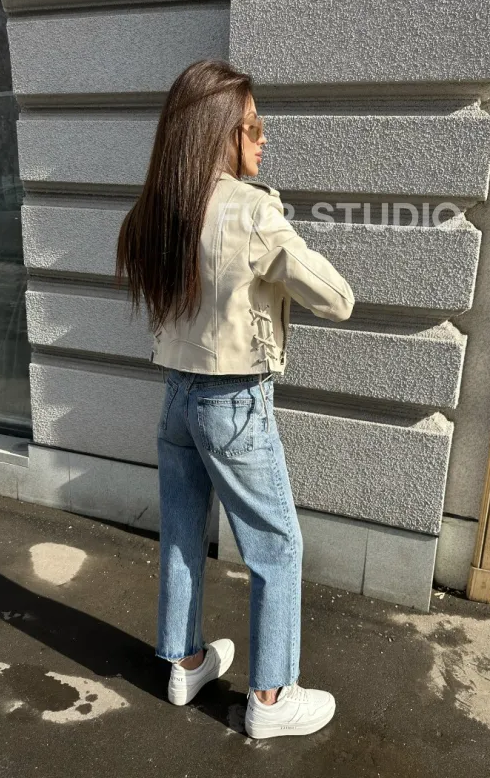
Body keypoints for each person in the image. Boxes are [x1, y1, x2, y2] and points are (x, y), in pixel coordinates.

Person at [115, 59, 354, 739]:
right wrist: (276, 251)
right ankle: (272, 698)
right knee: (276, 544)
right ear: (219, 132)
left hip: (178, 396)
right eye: (252, 126)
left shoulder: (162, 205)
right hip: (233, 403)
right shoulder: (252, 211)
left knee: (183, 530)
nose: (263, 137)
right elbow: (337, 298)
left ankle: (184, 661)